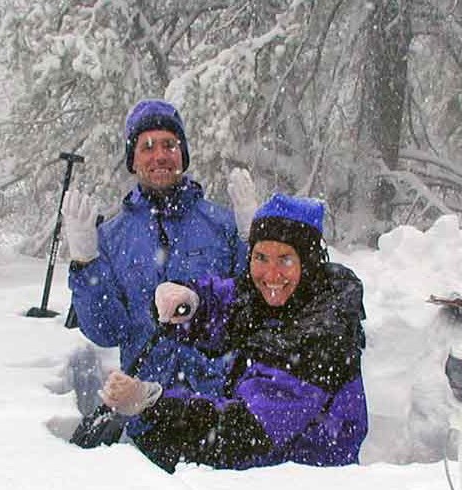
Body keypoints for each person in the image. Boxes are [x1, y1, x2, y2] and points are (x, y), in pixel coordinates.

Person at [100, 193, 368, 472]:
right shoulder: (281, 297)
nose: (271, 274)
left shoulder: (320, 333)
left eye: (285, 259)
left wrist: (153, 400)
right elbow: (230, 302)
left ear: (309, 262)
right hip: (263, 468)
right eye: (261, 257)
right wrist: (190, 300)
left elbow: (247, 432)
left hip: (304, 476)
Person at [62, 99, 257, 440]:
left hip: (221, 411)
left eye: (169, 145)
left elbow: (251, 305)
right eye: (147, 147)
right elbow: (106, 331)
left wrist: (251, 239)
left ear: (182, 153)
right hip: (147, 416)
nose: (160, 155)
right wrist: (85, 262)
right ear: (133, 160)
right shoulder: (112, 236)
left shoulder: (221, 225)